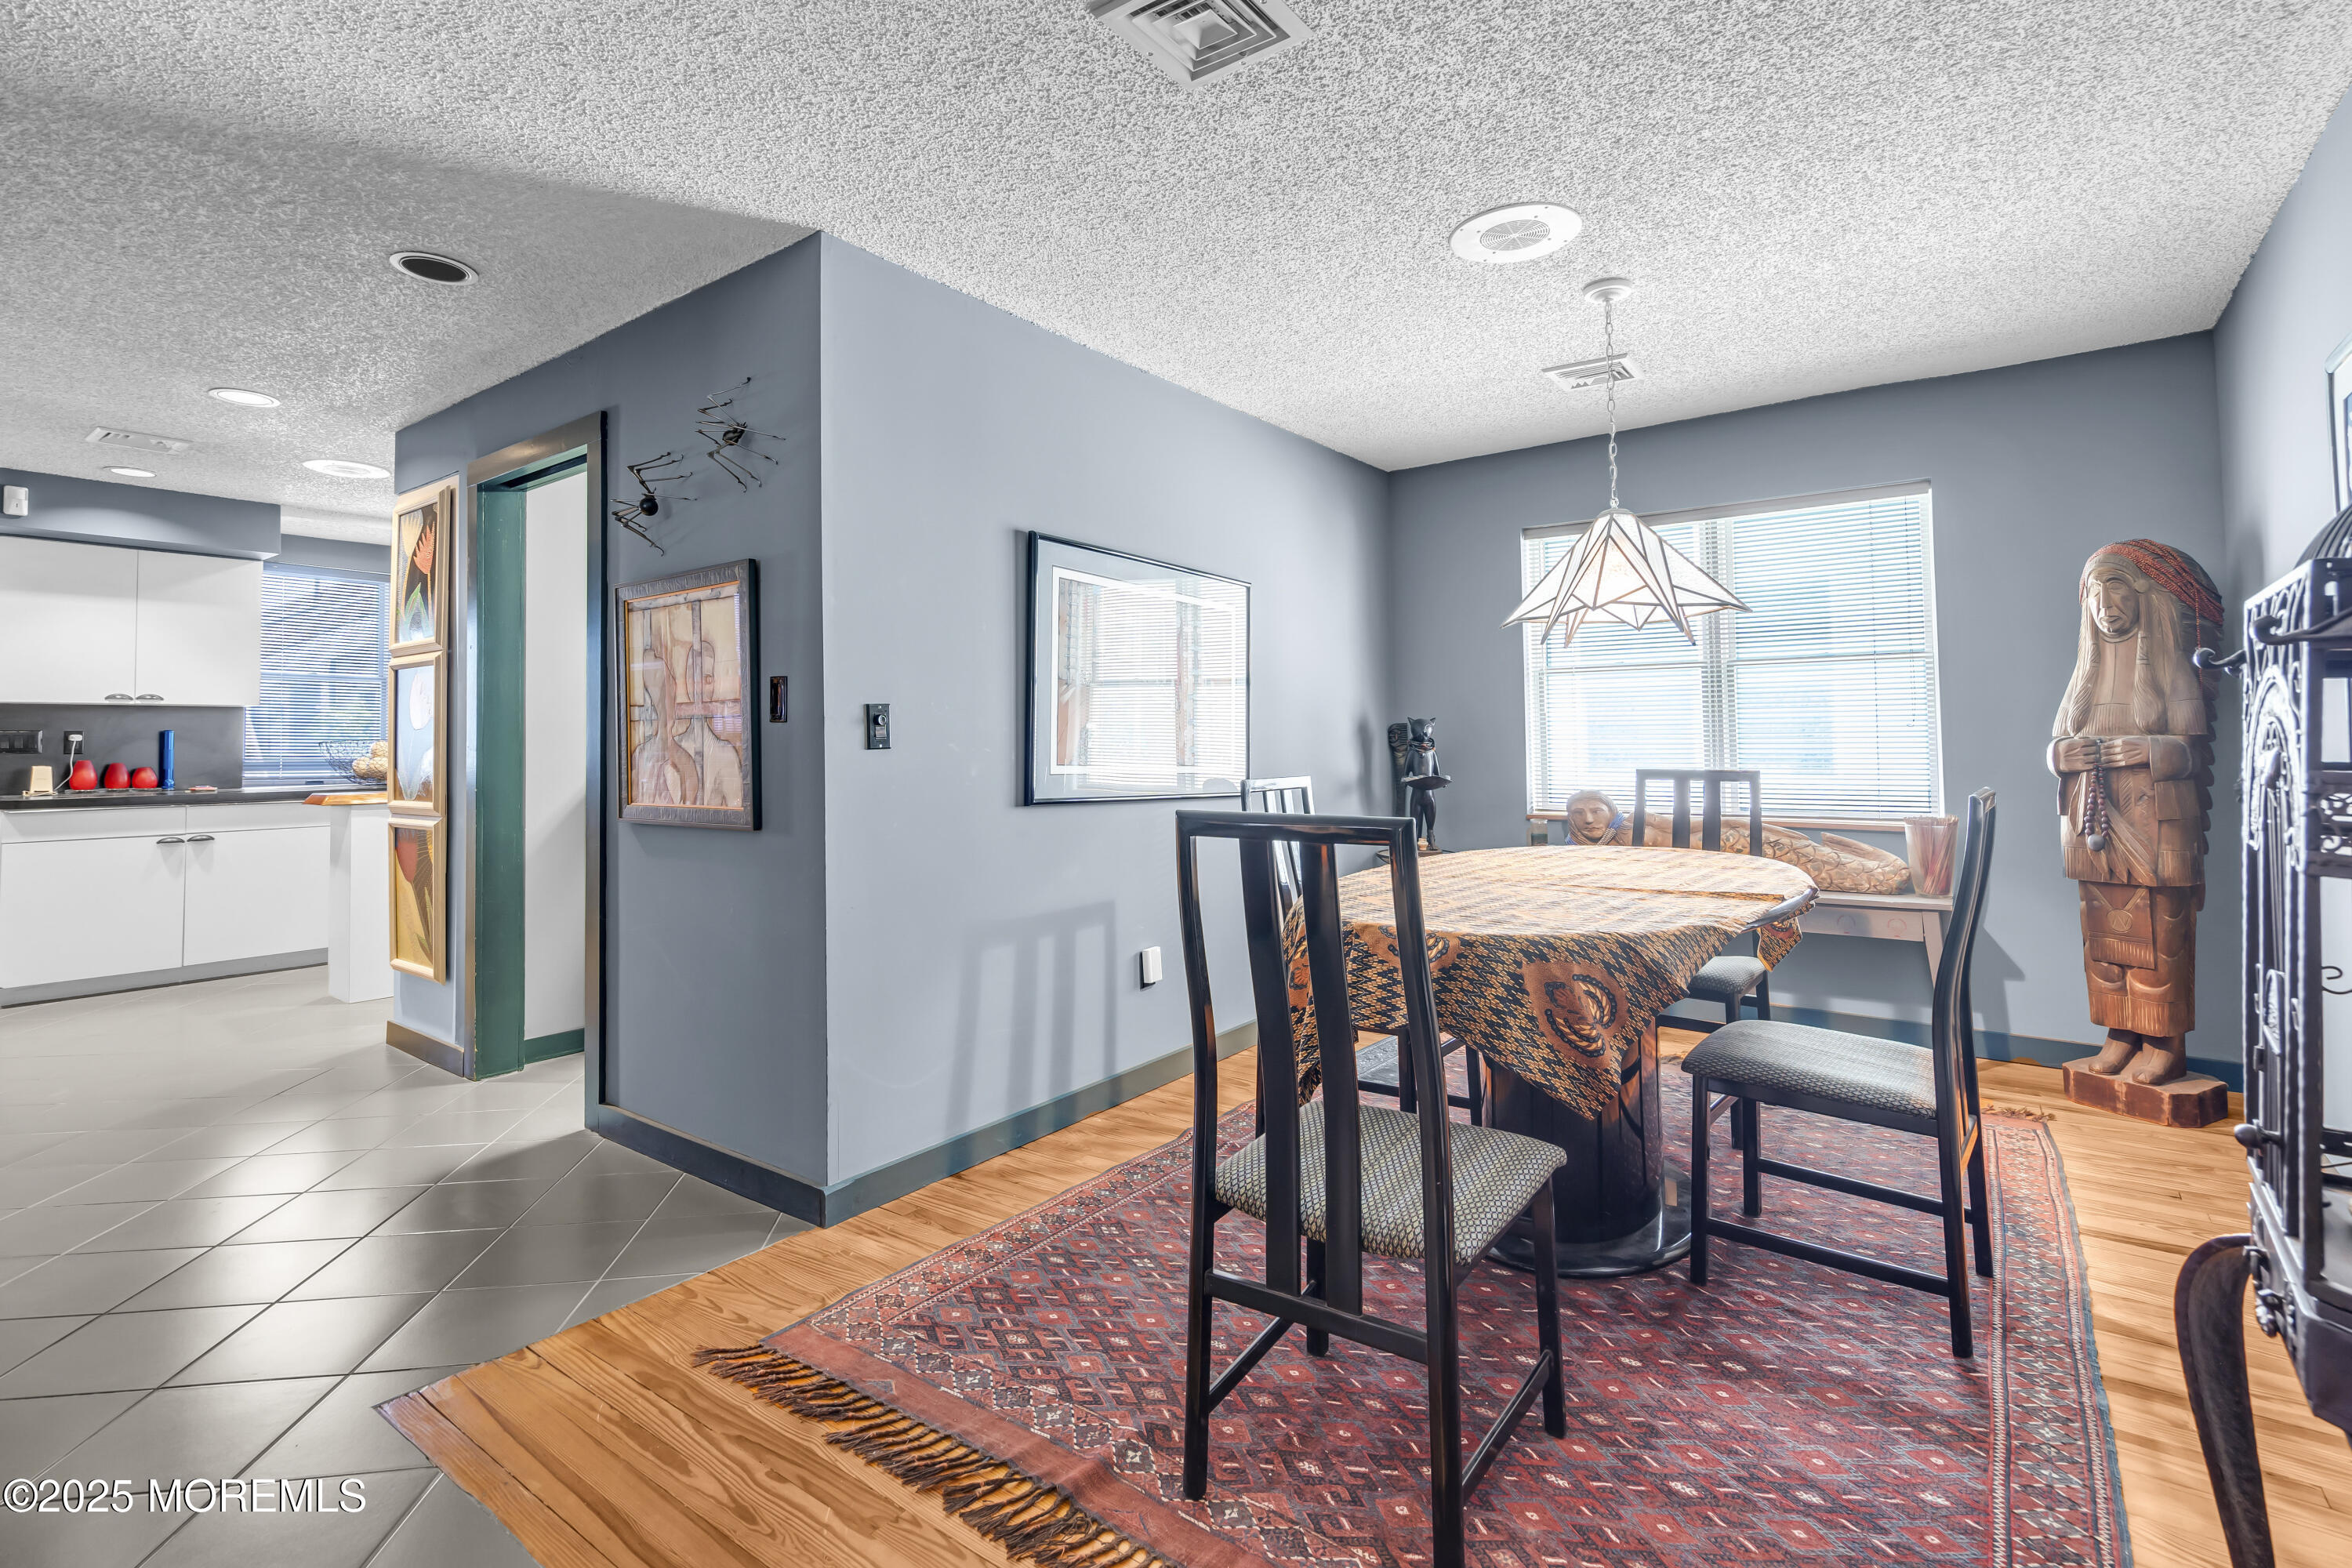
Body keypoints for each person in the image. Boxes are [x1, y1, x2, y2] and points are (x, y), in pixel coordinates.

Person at [2047, 539, 2221, 1087]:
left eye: (2116, 587)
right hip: (2093, 824)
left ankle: (2163, 1042)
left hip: (2157, 825)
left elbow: (2193, 751)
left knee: (2160, 931)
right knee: (2102, 936)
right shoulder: (2084, 678)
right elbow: (2057, 742)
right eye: (2095, 594)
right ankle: (2119, 1034)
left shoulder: (2172, 674)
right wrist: (2060, 755)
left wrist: (2149, 750)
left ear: (2146, 600)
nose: (2104, 604)